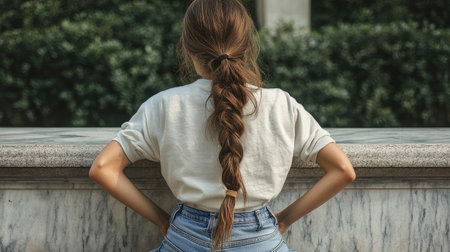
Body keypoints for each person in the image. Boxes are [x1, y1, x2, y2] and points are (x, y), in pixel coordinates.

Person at [89, 0, 356, 251]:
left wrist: (162, 220)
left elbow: (103, 168)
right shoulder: (281, 104)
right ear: (248, 47)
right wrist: (284, 219)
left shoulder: (163, 105)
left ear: (188, 48)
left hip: (184, 237)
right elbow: (343, 170)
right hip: (261, 237)